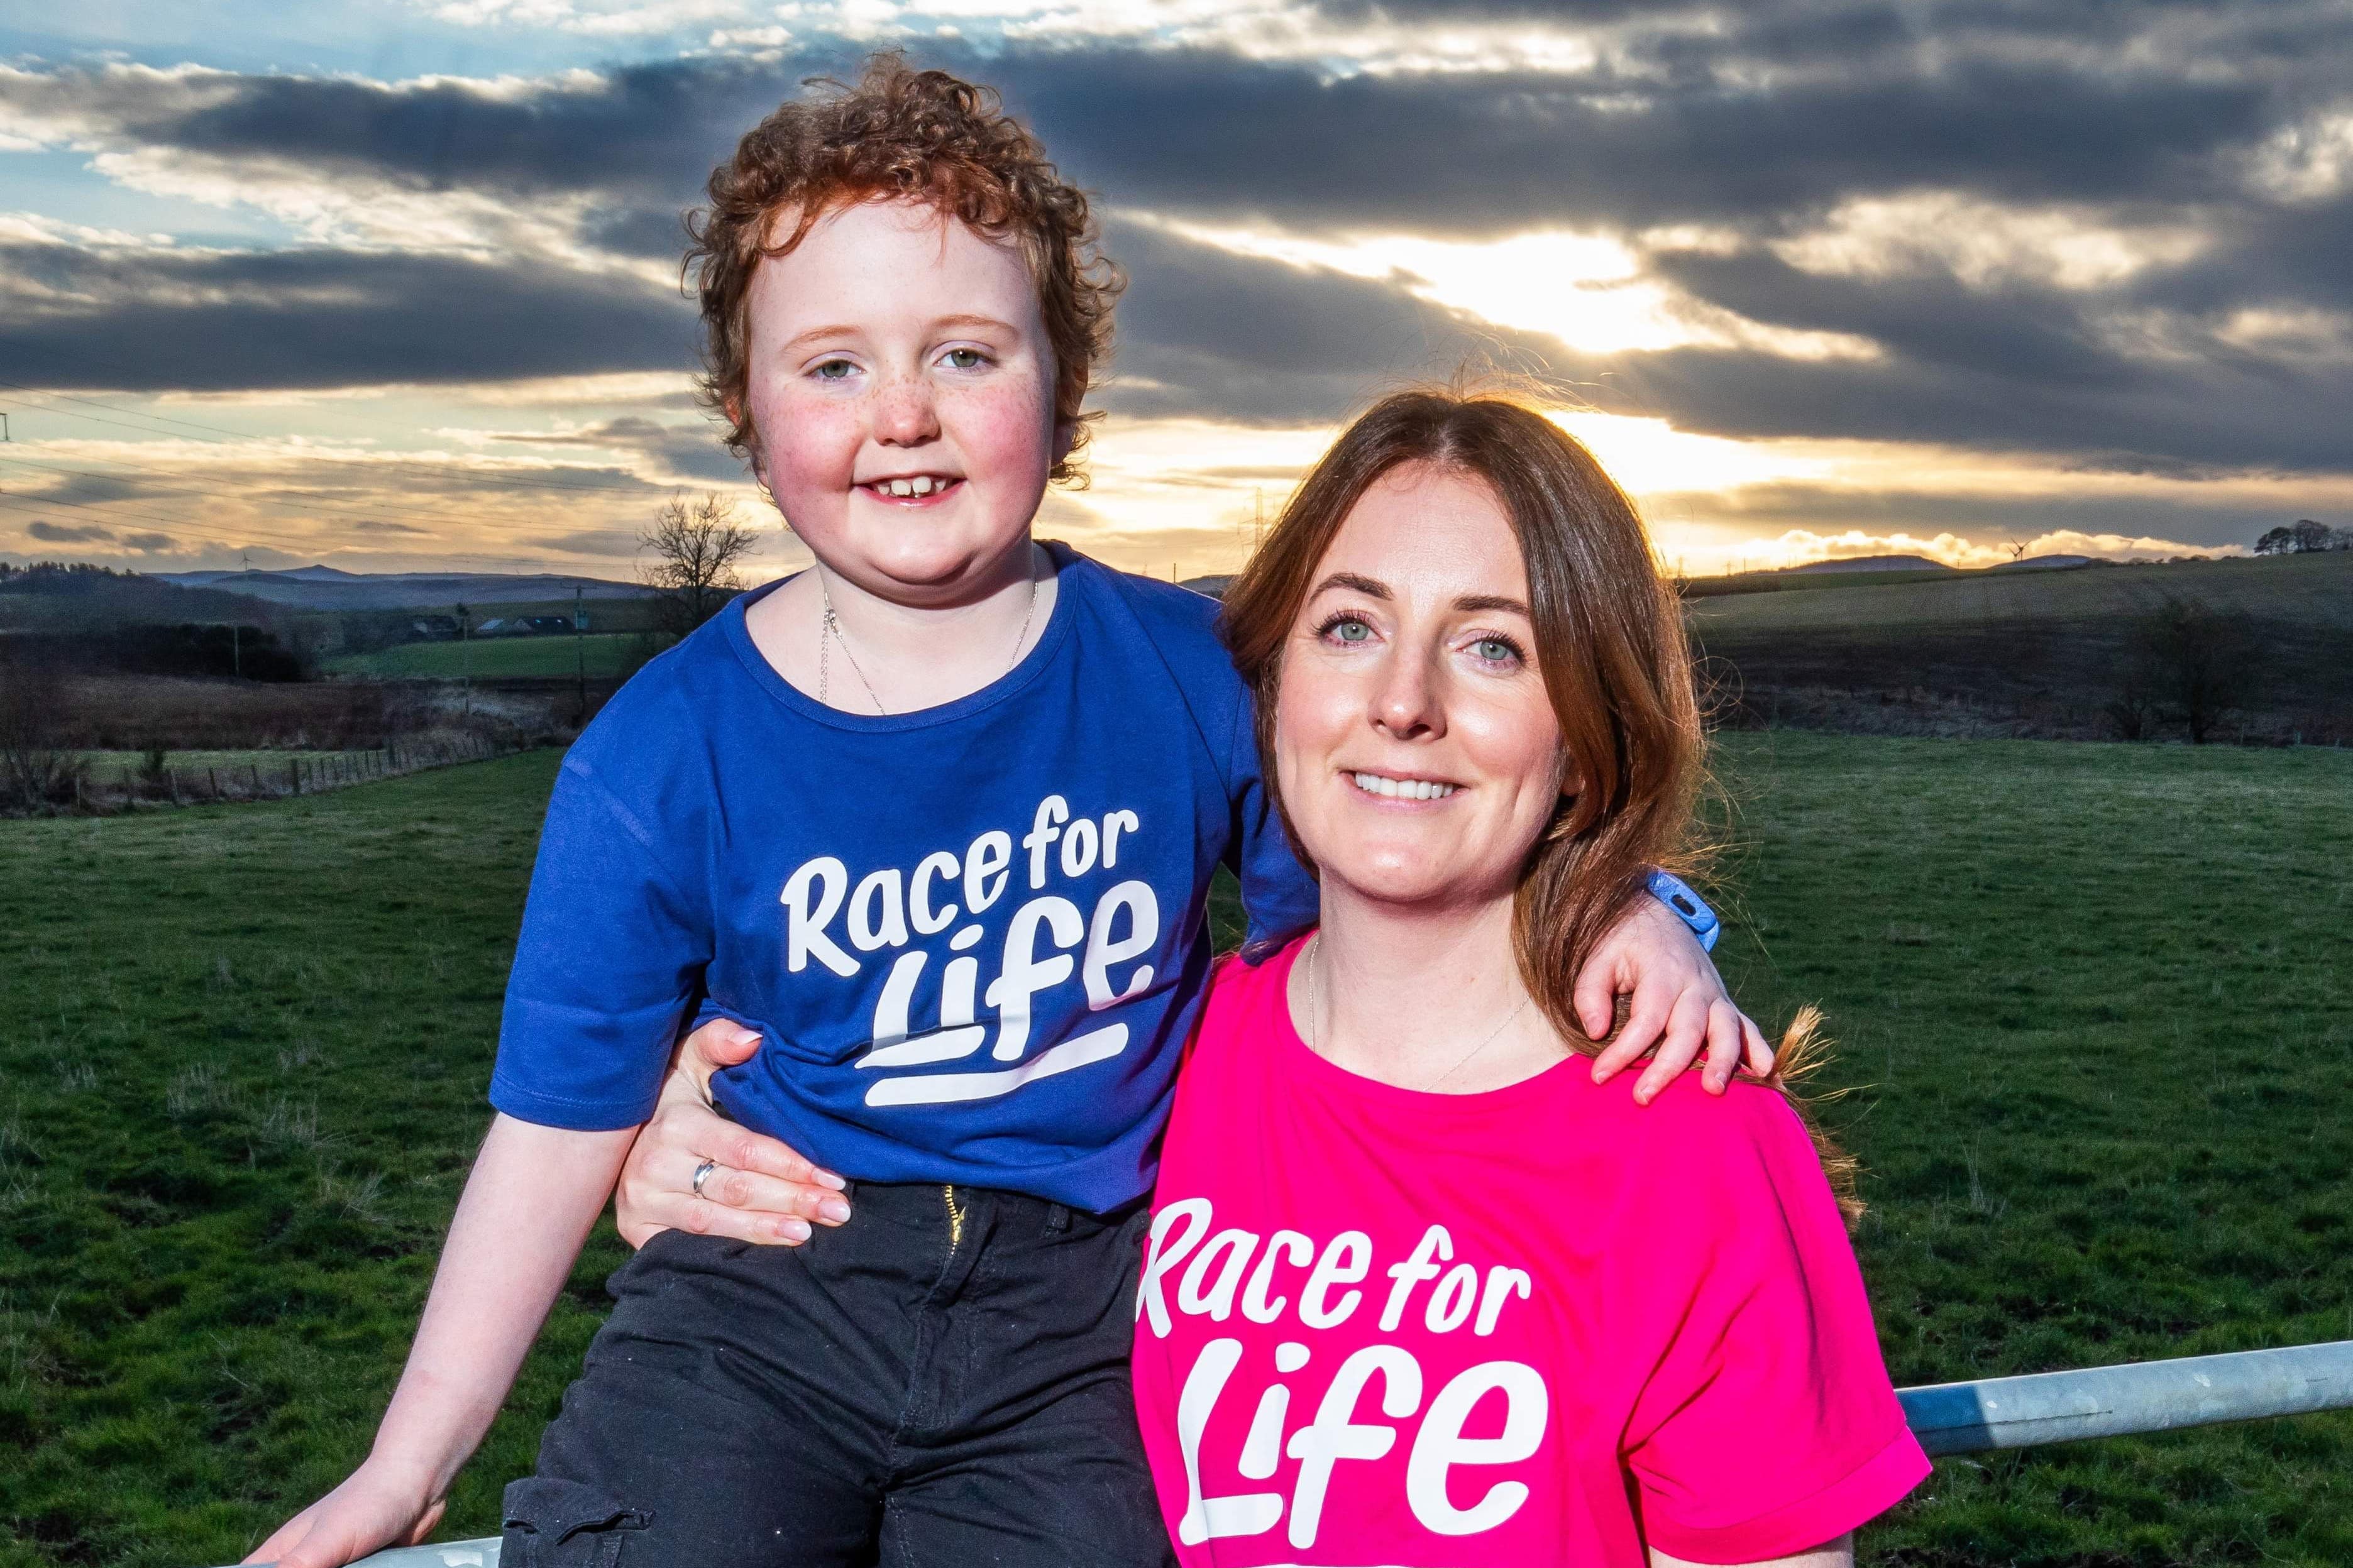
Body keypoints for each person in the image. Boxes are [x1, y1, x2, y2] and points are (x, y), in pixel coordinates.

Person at [249, 58, 1760, 1568]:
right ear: (741, 409)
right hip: (768, 1289)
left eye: (967, 354)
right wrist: (405, 1464)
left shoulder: (1180, 672)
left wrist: (1625, 909)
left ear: (1067, 386)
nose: (902, 415)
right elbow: (552, 1129)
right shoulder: (658, 756)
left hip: (1091, 1320)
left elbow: (1403, 894)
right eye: (831, 366)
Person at [1127, 389, 1930, 1565]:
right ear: (1272, 682)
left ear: (1583, 741)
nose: (1402, 703)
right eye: (1350, 626)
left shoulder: (1695, 1145)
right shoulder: (1166, 1054)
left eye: (1493, 647)